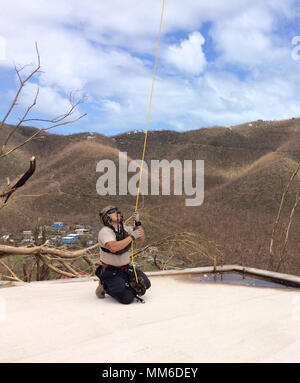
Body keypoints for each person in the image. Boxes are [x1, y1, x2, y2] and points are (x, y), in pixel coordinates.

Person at [95, 205, 151, 304]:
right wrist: (131, 237)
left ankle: (124, 285)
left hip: (125, 268)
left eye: (118, 211)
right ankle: (105, 285)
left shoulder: (125, 229)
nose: (117, 212)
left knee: (146, 283)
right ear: (106, 217)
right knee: (127, 298)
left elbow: (141, 238)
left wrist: (138, 223)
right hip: (110, 270)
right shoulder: (105, 232)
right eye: (113, 211)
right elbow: (113, 247)